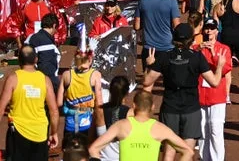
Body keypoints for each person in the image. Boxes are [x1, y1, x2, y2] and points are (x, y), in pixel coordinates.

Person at [142, 23, 226, 161]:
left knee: (169, 152)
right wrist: (220, 66)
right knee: (187, 151)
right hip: (191, 109)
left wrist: (150, 64)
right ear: (191, 39)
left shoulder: (164, 56)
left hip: (170, 107)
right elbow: (215, 82)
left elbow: (146, 81)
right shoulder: (197, 57)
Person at [87, 90, 194, 161]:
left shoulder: (121, 126)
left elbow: (93, 149)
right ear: (152, 107)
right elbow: (188, 151)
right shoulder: (160, 129)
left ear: (134, 105)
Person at [0, 46, 60, 161]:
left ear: (19, 60)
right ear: (36, 59)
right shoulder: (45, 80)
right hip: (40, 133)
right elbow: (54, 111)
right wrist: (54, 132)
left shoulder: (13, 79)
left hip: (17, 133)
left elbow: (1, 109)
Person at [196, 19, 231, 161]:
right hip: (201, 95)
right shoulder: (198, 48)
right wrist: (200, 47)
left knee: (216, 130)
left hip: (217, 96)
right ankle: (204, 158)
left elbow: (226, 68)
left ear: (217, 30)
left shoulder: (224, 48)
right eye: (207, 28)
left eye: (212, 28)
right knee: (203, 130)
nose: (209, 31)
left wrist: (214, 55)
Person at [58, 49, 105, 147]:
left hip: (70, 123)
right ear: (90, 59)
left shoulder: (67, 75)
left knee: (69, 152)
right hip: (87, 124)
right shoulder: (95, 75)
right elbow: (99, 101)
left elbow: (59, 102)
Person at [136, 0, 182, 71]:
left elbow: (136, 26)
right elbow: (177, 26)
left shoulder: (143, 1)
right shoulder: (172, 2)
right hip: (167, 46)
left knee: (148, 81)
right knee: (167, 79)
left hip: (148, 47)